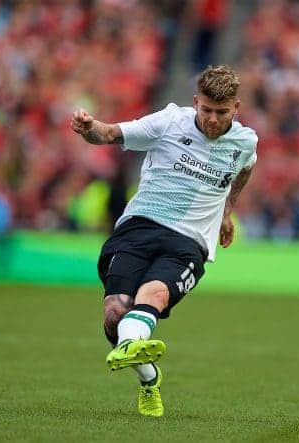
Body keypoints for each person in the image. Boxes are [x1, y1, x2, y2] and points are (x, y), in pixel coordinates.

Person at [70, 65, 257, 417]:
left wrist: (228, 210)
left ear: (236, 108)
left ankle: (133, 347)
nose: (213, 120)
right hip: (139, 226)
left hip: (189, 242)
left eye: (222, 112)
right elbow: (109, 133)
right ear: (195, 103)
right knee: (114, 313)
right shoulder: (170, 122)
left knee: (152, 295)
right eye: (206, 111)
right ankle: (149, 376)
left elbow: (245, 167)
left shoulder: (246, 142)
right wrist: (88, 128)